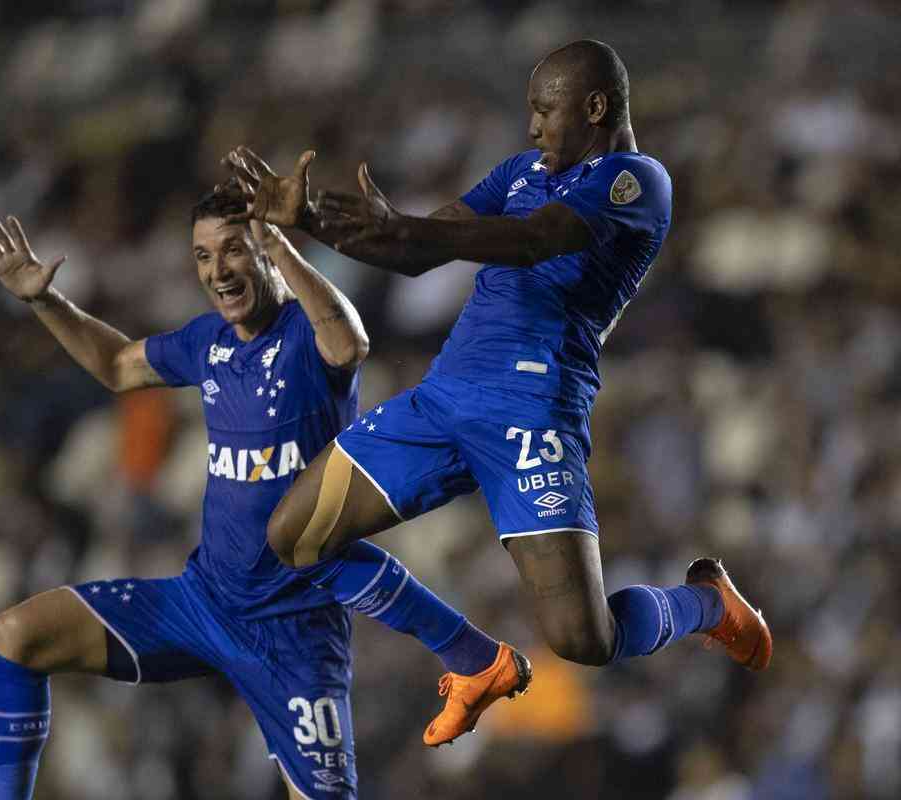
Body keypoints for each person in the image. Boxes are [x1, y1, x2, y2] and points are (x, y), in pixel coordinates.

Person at [224, 39, 773, 749]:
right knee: (291, 536)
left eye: (545, 110)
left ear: (595, 107)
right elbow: (421, 250)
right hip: (444, 397)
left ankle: (704, 604)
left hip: (531, 410)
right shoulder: (520, 171)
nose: (532, 127)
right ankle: (473, 661)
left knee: (582, 639)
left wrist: (407, 226)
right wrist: (312, 219)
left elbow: (533, 241)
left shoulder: (636, 181)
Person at [0, 187, 524, 800]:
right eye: (203, 256)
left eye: (233, 250)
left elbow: (350, 345)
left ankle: (471, 656)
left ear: (265, 251)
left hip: (296, 635)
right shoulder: (209, 343)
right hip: (203, 603)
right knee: (14, 636)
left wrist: (281, 246)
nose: (217, 270)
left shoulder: (306, 335)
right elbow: (120, 366)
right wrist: (44, 300)